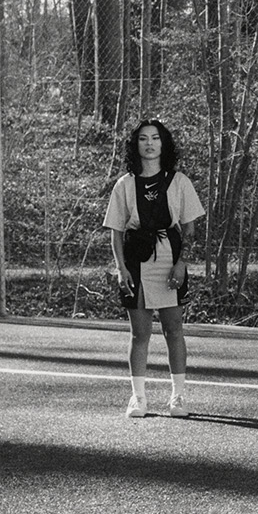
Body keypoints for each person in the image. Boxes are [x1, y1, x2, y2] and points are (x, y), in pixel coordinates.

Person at [104, 120, 206, 419]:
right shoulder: (124, 184)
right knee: (140, 334)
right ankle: (138, 398)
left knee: (173, 329)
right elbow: (116, 232)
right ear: (135, 145)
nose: (149, 144)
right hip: (136, 259)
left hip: (169, 258)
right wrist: (121, 268)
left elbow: (190, 229)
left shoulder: (179, 181)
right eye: (143, 139)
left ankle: (178, 397)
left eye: (155, 138)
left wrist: (182, 263)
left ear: (164, 144)